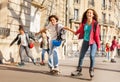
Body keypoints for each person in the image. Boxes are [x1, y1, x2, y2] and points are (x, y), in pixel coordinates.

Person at [71, 8, 101, 78]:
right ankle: (78, 70)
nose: (89, 14)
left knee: (92, 55)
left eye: (91, 13)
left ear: (93, 15)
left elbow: (97, 35)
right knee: (81, 55)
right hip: (85, 40)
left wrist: (98, 46)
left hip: (93, 42)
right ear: (86, 14)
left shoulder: (95, 23)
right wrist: (75, 32)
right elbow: (80, 30)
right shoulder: (84, 22)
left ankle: (91, 70)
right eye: (88, 12)